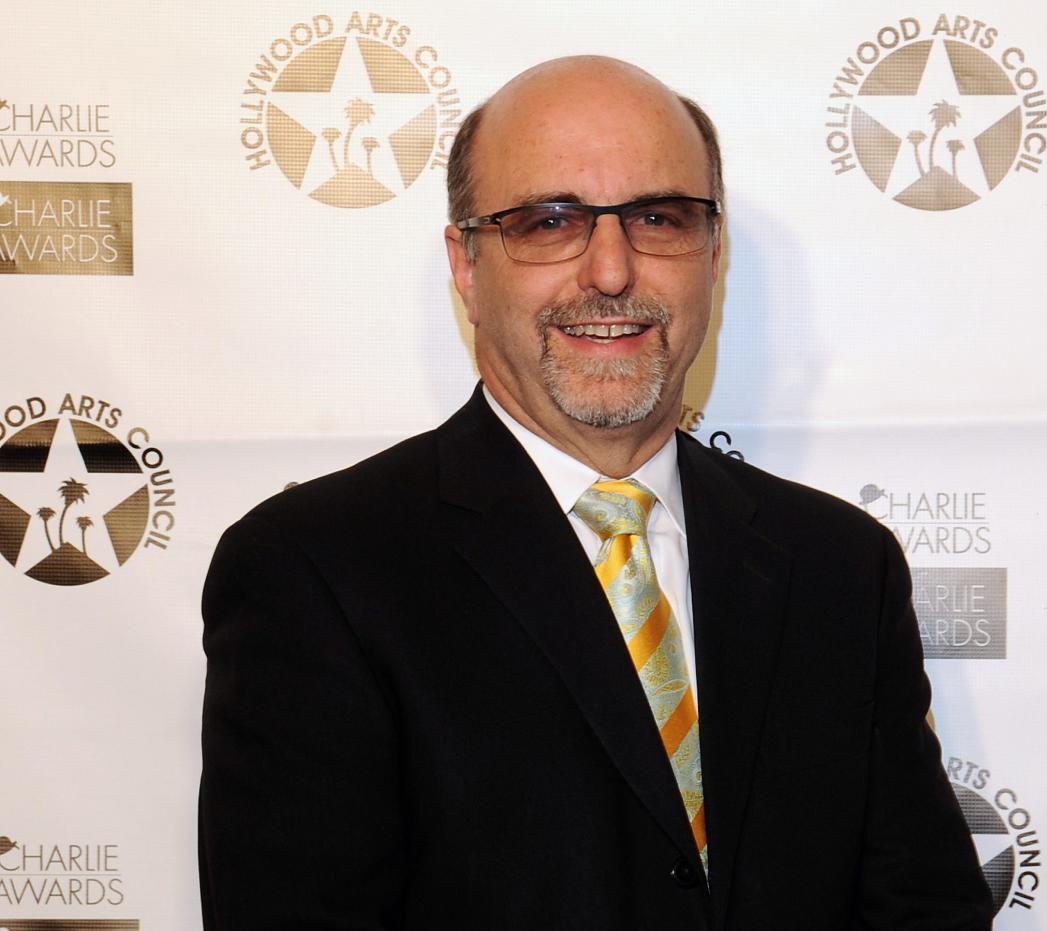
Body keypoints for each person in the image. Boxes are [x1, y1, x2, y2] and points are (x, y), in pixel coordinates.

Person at [199, 56, 992, 929]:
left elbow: (924, 909)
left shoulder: (842, 566)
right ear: (466, 263)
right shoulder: (315, 571)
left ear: (713, 254)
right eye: (548, 221)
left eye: (659, 217)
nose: (611, 271)